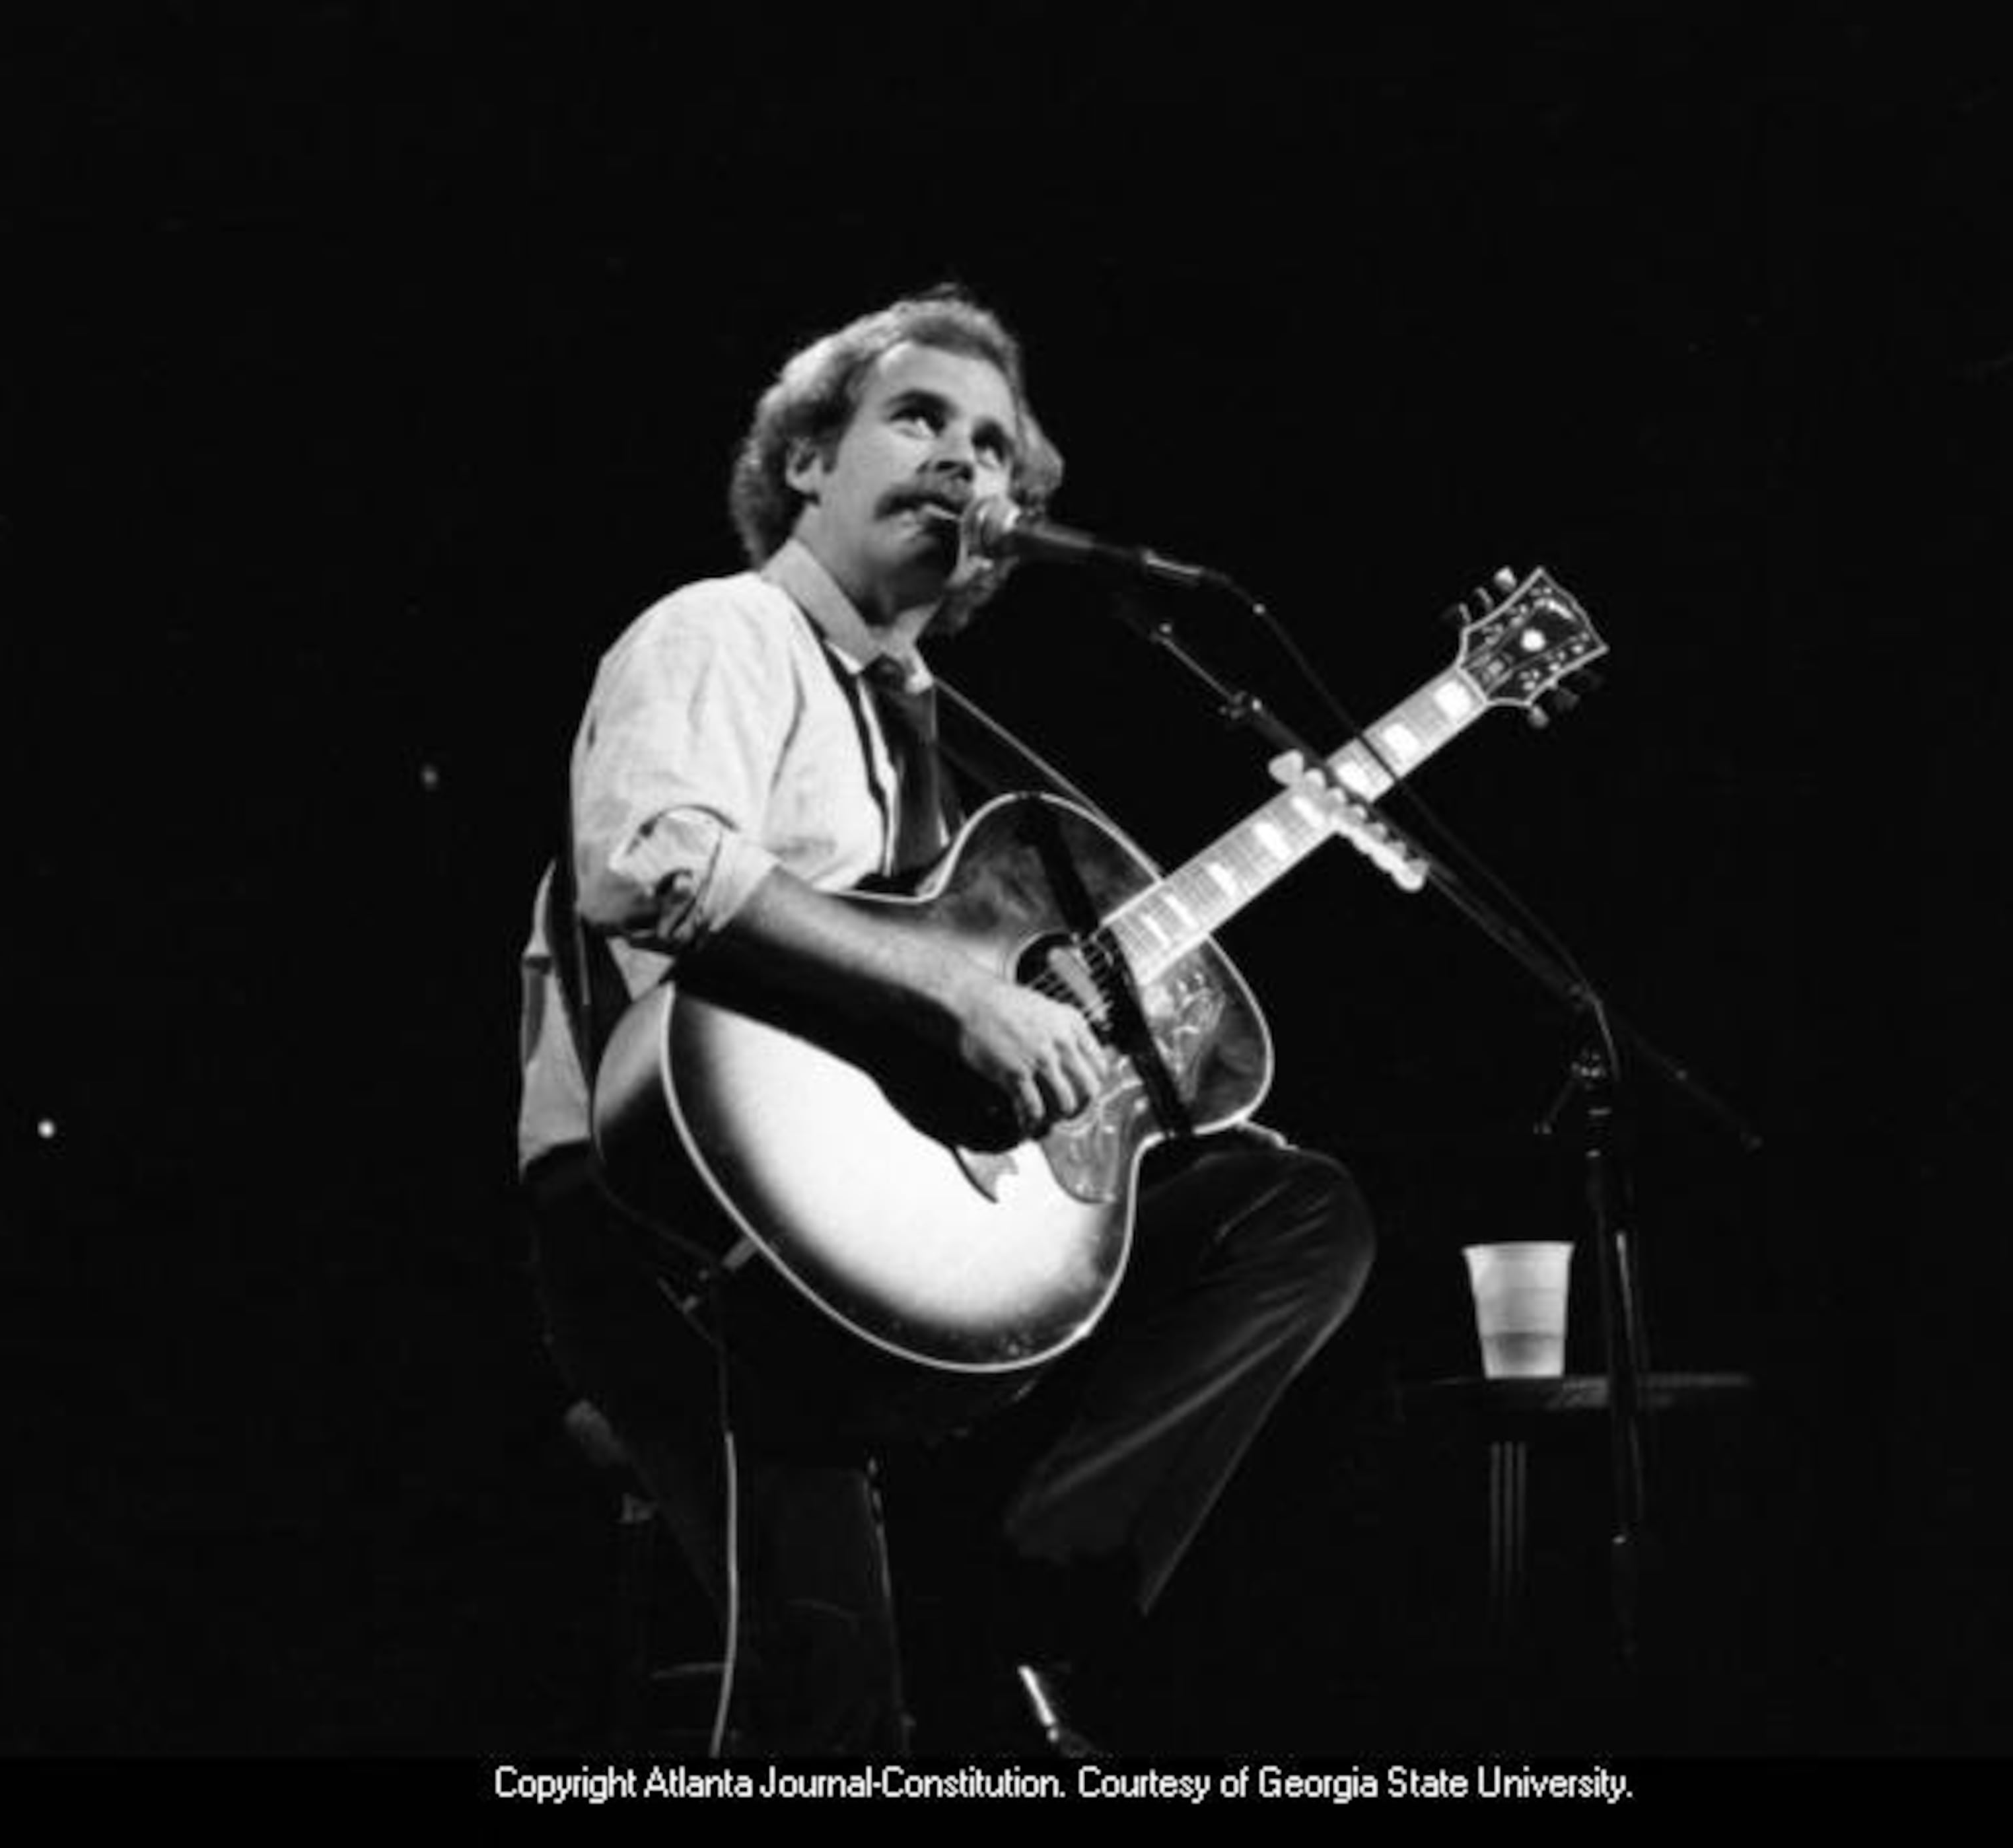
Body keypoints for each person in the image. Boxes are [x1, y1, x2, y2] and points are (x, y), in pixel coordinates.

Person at [513, 290, 1373, 1755]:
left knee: (1284, 1210)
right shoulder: (727, 631)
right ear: (804, 462)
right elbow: (646, 857)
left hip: (886, 1236)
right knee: (831, 1727)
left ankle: (1038, 1597)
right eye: (919, 420)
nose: (967, 466)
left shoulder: (953, 747)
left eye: (998, 453)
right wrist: (954, 992)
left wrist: (1084, 1067)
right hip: (675, 1233)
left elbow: (961, 1020)